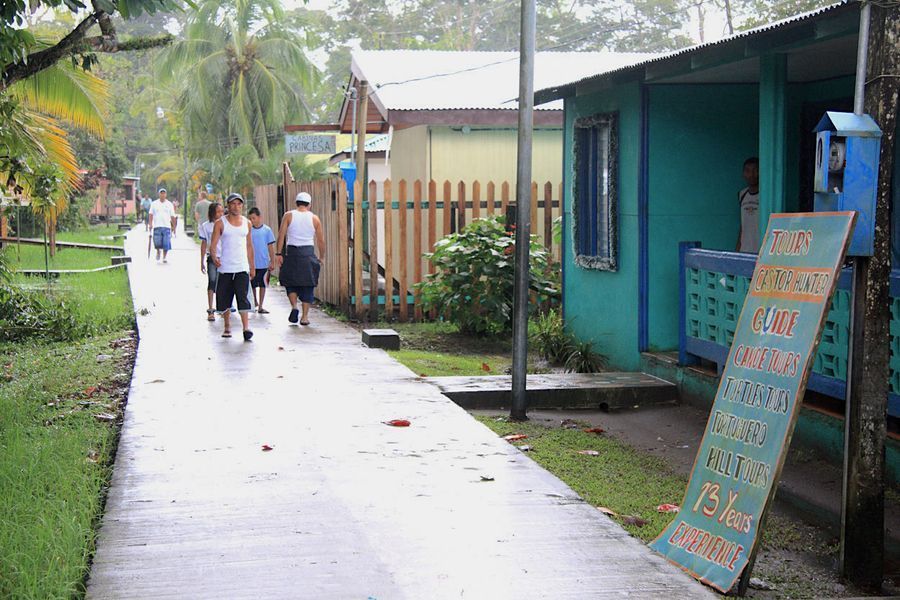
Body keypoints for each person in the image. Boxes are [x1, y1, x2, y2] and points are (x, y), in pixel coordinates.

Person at [209, 193, 255, 341]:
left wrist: (252, 266)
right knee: (225, 298)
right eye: (233, 204)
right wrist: (215, 256)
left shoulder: (247, 223)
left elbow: (249, 246)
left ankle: (246, 328)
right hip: (225, 267)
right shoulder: (220, 223)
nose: (236, 207)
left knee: (243, 298)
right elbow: (213, 244)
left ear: (242, 205)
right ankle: (227, 326)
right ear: (228, 205)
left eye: (239, 204)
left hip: (241, 267)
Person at [276, 192, 325, 326]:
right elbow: (321, 240)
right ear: (309, 204)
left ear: (296, 203)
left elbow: (281, 235)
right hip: (308, 253)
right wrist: (321, 257)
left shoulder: (288, 215)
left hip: (292, 252)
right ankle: (304, 317)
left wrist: (278, 253)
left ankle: (294, 307)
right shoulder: (314, 219)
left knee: (290, 282)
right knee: (308, 284)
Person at [248, 207, 276, 314]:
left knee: (263, 285)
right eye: (250, 219)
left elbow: (270, 247)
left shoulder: (267, 230)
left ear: (259, 217)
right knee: (253, 284)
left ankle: (261, 305)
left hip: (264, 263)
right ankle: (254, 301)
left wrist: (272, 261)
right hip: (252, 263)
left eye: (254, 218)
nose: (252, 221)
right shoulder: (248, 231)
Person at [199, 201, 224, 321]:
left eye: (221, 211)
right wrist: (202, 260)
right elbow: (204, 244)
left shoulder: (226, 224)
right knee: (212, 281)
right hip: (212, 257)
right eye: (218, 211)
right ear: (212, 213)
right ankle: (210, 309)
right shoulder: (206, 226)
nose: (220, 213)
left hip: (224, 257)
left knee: (223, 283)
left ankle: (223, 307)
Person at [736, 157, 760, 253]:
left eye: (755, 170)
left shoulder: (766, 195)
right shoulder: (742, 194)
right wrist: (737, 249)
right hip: (745, 250)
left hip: (761, 251)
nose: (752, 175)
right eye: (748, 171)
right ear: (743, 174)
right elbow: (743, 225)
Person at [148, 188, 176, 262]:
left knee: (166, 243)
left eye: (164, 193)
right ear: (159, 194)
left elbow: (172, 216)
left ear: (166, 195)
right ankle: (158, 251)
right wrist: (150, 224)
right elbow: (150, 214)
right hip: (157, 226)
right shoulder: (154, 203)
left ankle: (164, 257)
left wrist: (174, 226)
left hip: (166, 226)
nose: (162, 195)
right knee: (157, 242)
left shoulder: (169, 204)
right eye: (161, 193)